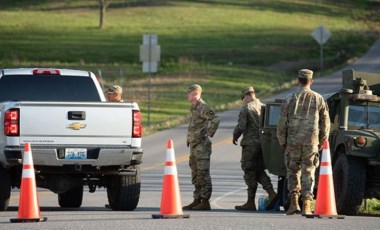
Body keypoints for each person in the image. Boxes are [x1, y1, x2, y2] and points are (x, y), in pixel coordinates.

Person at [277, 69, 330, 215]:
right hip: (311, 142)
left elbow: (281, 123)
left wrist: (283, 141)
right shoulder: (319, 99)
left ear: (298, 80)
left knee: (293, 172)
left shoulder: (289, 98)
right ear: (311, 81)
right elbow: (326, 123)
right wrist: (321, 140)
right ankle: (307, 204)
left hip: (292, 142)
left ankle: (294, 203)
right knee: (309, 172)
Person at [233, 86, 279, 211]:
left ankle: (250, 202)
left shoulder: (247, 108)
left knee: (249, 170)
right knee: (258, 170)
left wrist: (234, 136)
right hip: (263, 144)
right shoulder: (264, 107)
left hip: (250, 145)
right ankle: (272, 193)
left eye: (243, 98)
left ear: (247, 96)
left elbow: (241, 126)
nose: (243, 101)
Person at [183, 84, 220, 211]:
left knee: (203, 174)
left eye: (189, 93)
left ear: (194, 93)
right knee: (195, 174)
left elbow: (215, 119)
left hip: (202, 146)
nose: (187, 95)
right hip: (194, 145)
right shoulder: (194, 107)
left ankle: (205, 201)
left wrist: (209, 133)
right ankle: (197, 199)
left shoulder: (203, 107)